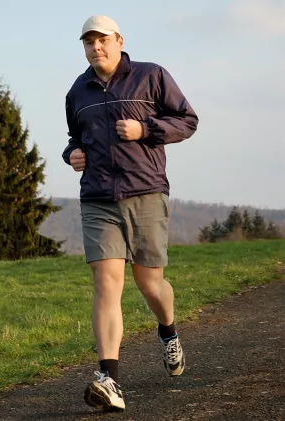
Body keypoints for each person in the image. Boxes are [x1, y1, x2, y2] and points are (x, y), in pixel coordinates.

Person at [62, 15, 199, 412]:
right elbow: (74, 138)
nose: (95, 47)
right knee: (107, 283)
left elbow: (187, 121)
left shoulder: (151, 76)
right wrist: (71, 154)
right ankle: (109, 379)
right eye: (88, 42)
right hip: (98, 198)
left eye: (102, 40)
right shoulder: (77, 91)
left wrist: (145, 130)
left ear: (119, 40)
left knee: (150, 284)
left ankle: (168, 330)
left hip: (145, 193)